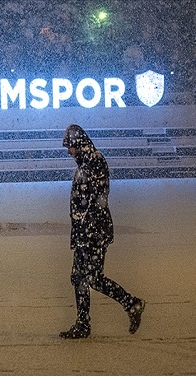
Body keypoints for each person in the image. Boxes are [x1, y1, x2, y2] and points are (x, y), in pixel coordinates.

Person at [60, 124, 145, 339]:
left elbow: (96, 199)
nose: (69, 152)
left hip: (94, 231)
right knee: (79, 277)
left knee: (92, 278)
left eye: (70, 147)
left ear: (79, 144)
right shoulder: (85, 162)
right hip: (85, 231)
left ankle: (131, 303)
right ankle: (83, 324)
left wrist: (85, 226)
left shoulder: (94, 161)